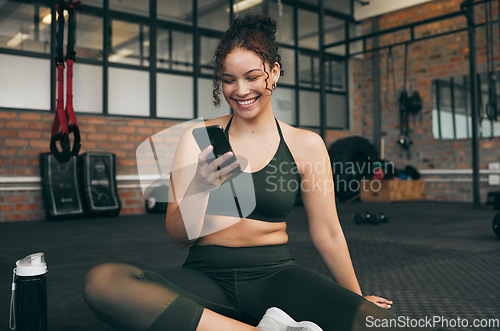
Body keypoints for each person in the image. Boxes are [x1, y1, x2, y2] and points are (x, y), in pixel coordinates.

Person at [83, 14, 431, 331]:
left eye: (252, 77)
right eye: (229, 80)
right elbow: (178, 236)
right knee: (104, 283)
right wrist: (198, 188)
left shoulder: (305, 144)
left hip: (275, 276)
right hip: (206, 277)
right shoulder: (198, 137)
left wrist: (354, 298)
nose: (241, 90)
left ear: (274, 73)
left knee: (382, 326)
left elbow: (327, 231)